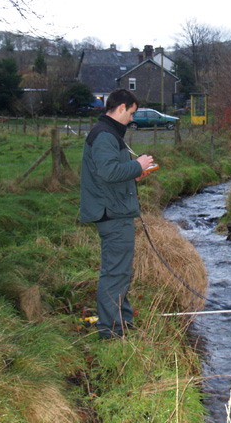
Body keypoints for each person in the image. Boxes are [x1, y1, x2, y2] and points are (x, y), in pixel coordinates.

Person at [79, 88, 154, 339]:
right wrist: (137, 164)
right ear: (121, 107)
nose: (132, 119)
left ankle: (122, 322)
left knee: (119, 271)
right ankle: (112, 332)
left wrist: (136, 172)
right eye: (131, 113)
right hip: (112, 215)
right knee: (115, 273)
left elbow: (112, 173)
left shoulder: (110, 133)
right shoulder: (104, 136)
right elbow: (108, 172)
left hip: (115, 211)